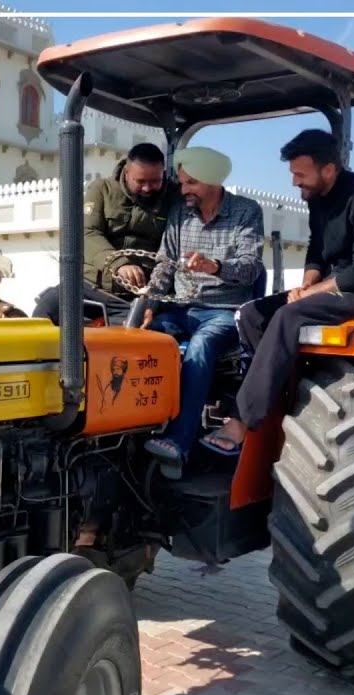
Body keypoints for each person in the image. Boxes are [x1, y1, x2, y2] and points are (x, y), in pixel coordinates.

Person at [201, 128, 354, 454]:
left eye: (300, 173)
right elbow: (317, 249)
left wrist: (311, 293)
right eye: (293, 173)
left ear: (329, 169)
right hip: (331, 288)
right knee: (253, 314)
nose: (295, 181)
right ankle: (275, 394)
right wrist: (309, 280)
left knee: (287, 316)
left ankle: (243, 418)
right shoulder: (318, 199)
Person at [137, 146, 266, 467]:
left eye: (191, 183)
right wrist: (148, 305)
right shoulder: (181, 213)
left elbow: (250, 267)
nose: (184, 190)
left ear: (212, 181)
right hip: (181, 309)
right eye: (181, 183)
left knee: (202, 344)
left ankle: (179, 442)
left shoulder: (246, 212)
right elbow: (165, 265)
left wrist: (214, 266)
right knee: (139, 339)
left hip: (226, 312)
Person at [32, 143, 178, 326]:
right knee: (47, 306)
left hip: (132, 297)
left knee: (132, 334)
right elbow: (87, 232)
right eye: (140, 182)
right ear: (126, 172)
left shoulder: (173, 197)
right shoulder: (102, 190)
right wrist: (118, 264)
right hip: (90, 286)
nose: (148, 188)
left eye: (155, 181)